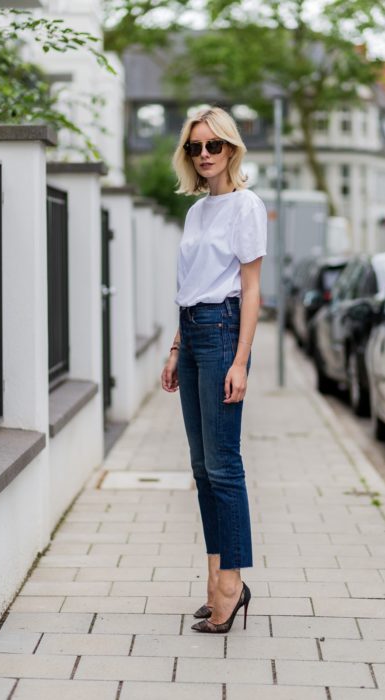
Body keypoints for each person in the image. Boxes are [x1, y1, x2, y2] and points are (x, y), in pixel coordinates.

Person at [161, 106, 267, 633]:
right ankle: (215, 577)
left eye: (213, 146)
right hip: (195, 332)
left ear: (231, 148)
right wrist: (178, 348)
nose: (204, 155)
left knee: (225, 466)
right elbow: (189, 287)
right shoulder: (196, 212)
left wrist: (241, 360)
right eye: (194, 147)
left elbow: (250, 289)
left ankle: (232, 583)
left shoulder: (246, 206)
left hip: (225, 332)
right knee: (201, 467)